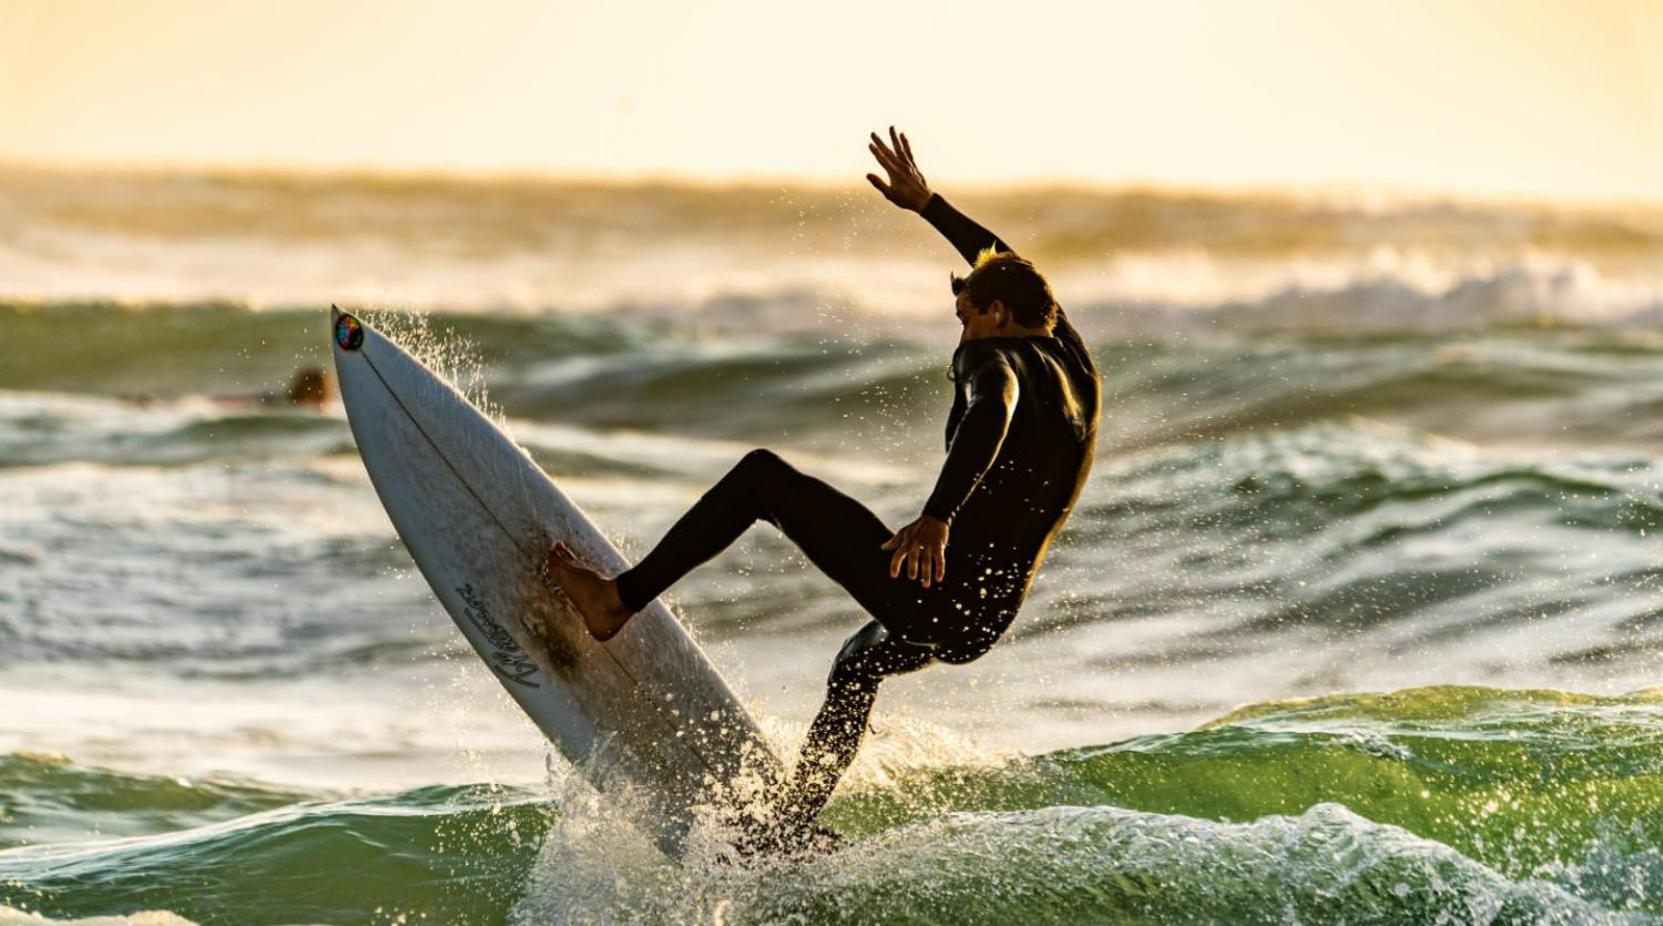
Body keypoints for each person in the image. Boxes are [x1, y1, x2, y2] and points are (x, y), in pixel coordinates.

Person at [543, 127, 1101, 850]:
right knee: (859, 663)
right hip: (987, 616)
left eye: (966, 316)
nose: (960, 332)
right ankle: (790, 827)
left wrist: (936, 517)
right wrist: (928, 205)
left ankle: (614, 601)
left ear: (995, 315)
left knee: (760, 480)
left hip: (942, 593)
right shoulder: (1072, 365)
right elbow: (1007, 260)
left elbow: (991, 411)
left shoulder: (993, 359)